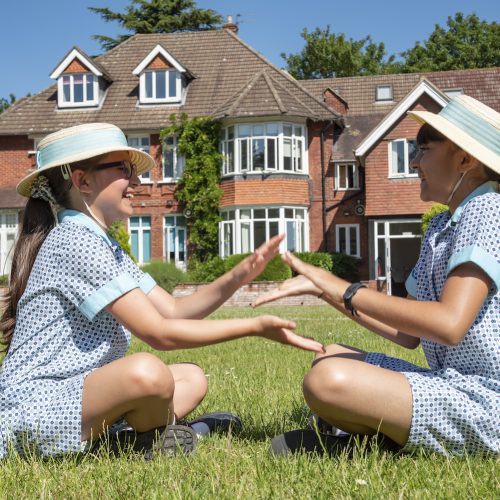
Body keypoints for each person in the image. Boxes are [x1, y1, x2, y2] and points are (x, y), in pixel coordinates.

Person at [0, 123, 324, 459]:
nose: (137, 182)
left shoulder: (102, 244)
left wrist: (239, 276)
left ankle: (133, 437)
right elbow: (160, 333)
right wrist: (254, 327)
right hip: (36, 409)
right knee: (147, 372)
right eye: (123, 170)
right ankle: (149, 441)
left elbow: (173, 310)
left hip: (77, 393)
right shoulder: (75, 242)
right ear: (83, 181)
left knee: (191, 377)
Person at [255, 95, 499, 456]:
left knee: (329, 380)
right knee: (330, 356)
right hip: (454, 385)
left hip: (487, 400)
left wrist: (343, 287)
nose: (414, 161)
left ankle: (365, 439)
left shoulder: (488, 210)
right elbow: (407, 334)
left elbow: (449, 323)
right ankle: (374, 436)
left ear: (465, 159)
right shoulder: (442, 226)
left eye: (423, 149)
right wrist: (325, 291)